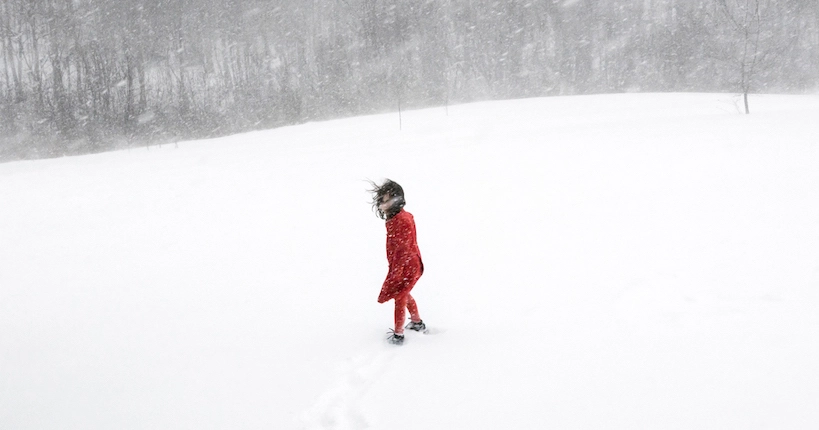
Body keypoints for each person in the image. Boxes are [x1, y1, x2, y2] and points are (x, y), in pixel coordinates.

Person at [370, 179, 425, 345]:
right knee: (404, 293)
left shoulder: (402, 220)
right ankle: (417, 323)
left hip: (407, 266)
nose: (382, 204)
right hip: (404, 264)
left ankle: (399, 334)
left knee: (400, 297)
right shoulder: (397, 218)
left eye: (386, 200)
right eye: (381, 200)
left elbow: (403, 249)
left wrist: (397, 272)